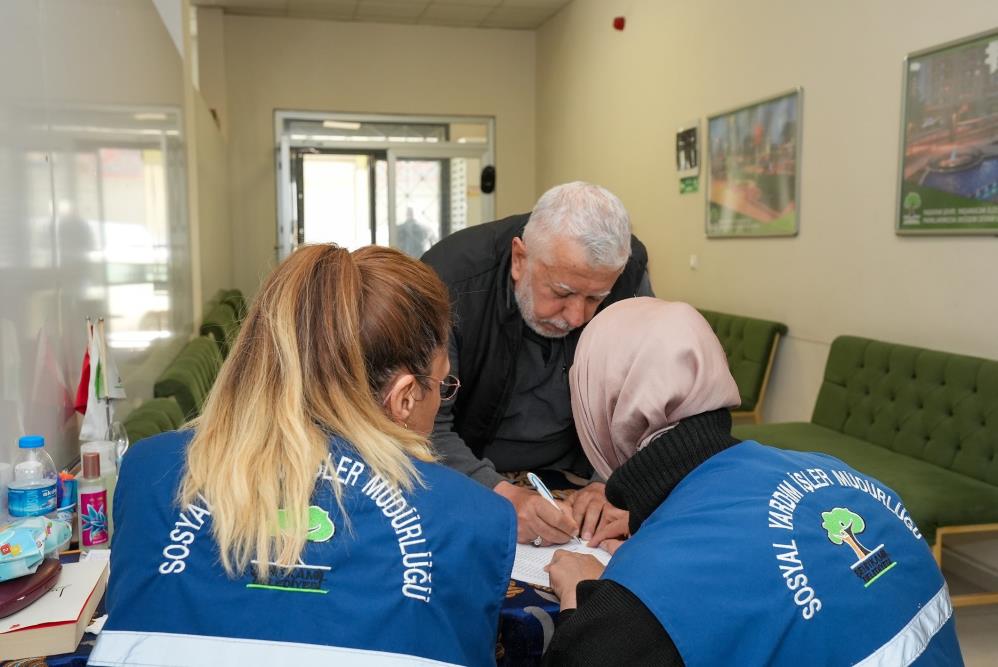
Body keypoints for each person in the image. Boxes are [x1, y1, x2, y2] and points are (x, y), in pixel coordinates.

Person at [90, 245, 516, 666]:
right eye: (442, 385)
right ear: (404, 396)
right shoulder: (477, 519)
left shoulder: (147, 475)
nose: (441, 398)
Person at [544, 298, 962, 666]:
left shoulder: (641, 599)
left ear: (596, 403)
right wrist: (652, 529)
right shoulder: (836, 473)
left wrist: (582, 598)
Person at [421, 181, 652, 548]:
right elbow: (423, 425)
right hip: (470, 470)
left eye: (595, 298)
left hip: (578, 472)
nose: (577, 317)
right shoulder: (448, 280)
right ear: (519, 259)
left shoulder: (629, 276)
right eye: (561, 292)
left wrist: (607, 481)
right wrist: (501, 495)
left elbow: (643, 402)